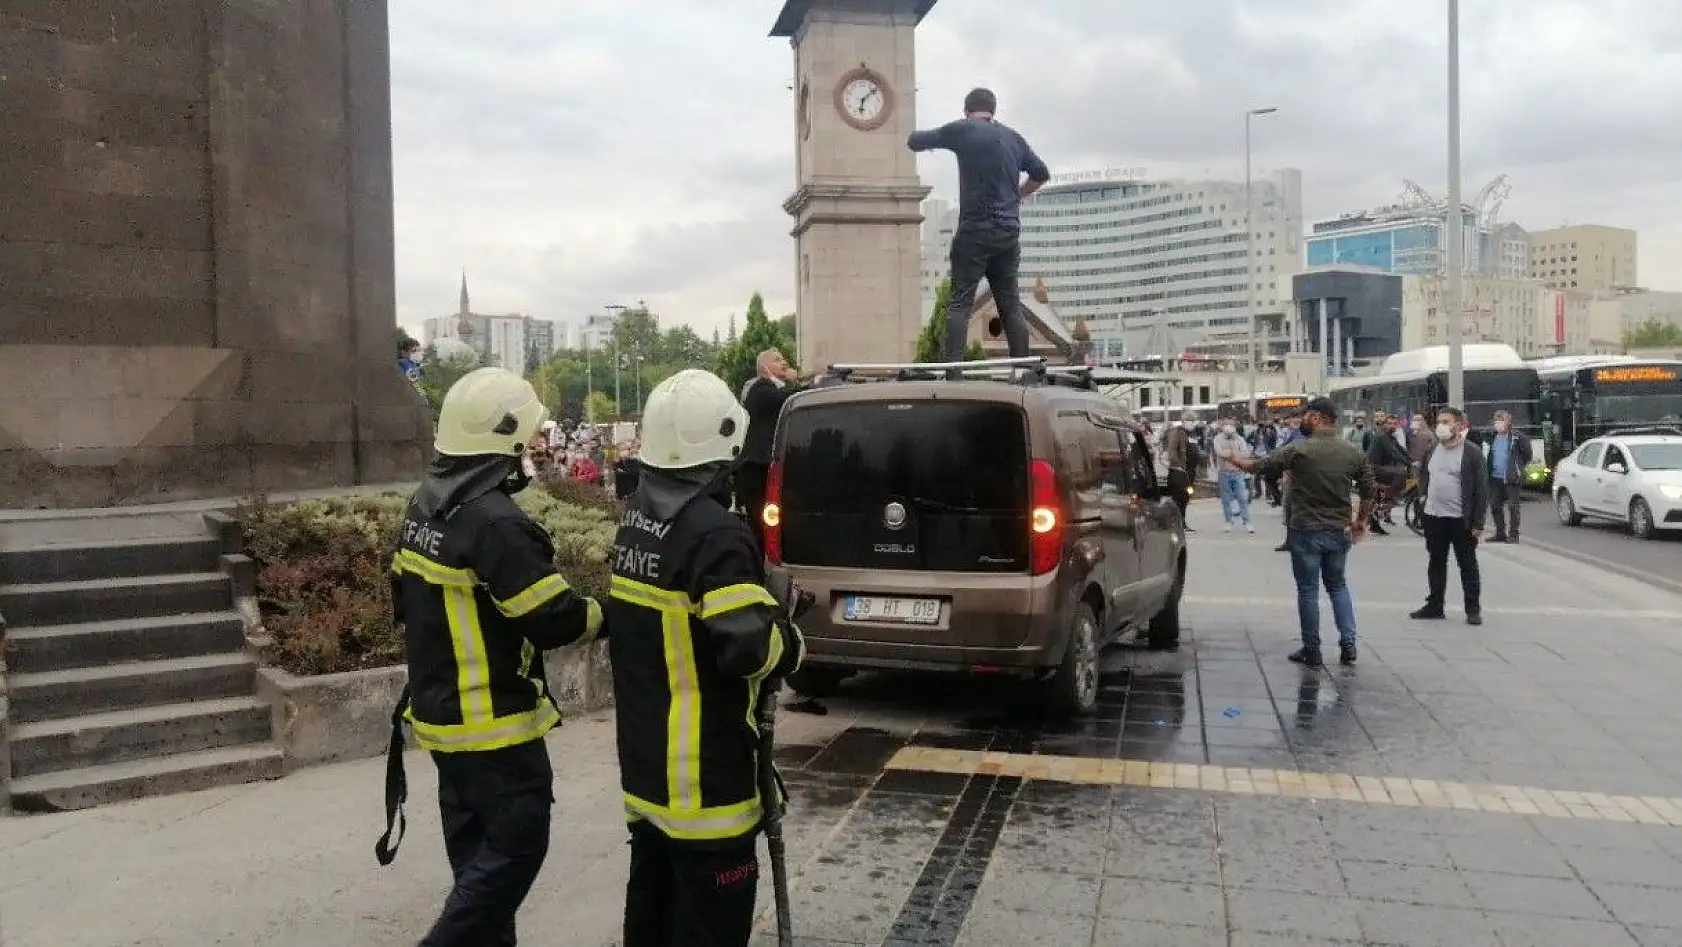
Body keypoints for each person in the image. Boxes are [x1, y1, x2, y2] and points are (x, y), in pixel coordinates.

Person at [386, 367, 605, 947]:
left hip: (441, 721)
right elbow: (553, 618)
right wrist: (611, 615)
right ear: (502, 442)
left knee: (476, 868)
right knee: (514, 852)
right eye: (526, 439)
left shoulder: (424, 508)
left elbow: (401, 602)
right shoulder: (495, 523)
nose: (532, 450)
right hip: (493, 730)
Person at [606, 369, 806, 947]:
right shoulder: (715, 533)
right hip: (706, 788)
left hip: (647, 777)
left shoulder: (637, 523)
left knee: (651, 919)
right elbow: (747, 648)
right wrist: (790, 636)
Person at [907, 87, 1051, 368]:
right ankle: (1023, 371)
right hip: (1008, 232)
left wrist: (929, 138)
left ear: (967, 110)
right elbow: (1041, 173)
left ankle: (954, 372)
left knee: (961, 300)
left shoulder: (964, 130)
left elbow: (915, 141)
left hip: (975, 230)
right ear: (993, 110)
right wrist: (1017, 195)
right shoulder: (1013, 138)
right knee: (1009, 303)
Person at [1230, 397, 1376, 667]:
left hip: (1305, 530)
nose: (1302, 420)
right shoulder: (1353, 452)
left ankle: (1312, 649)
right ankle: (1349, 643)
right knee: (1338, 585)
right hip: (1338, 531)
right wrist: (1360, 522)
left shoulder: (1299, 450)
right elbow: (1369, 490)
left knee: (1308, 591)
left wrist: (1236, 461)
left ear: (1318, 417)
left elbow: (1260, 466)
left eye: (1306, 415)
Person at [1412, 407, 1489, 625]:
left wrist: (1478, 522)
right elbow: (1426, 474)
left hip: (1460, 520)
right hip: (1434, 516)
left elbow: (1481, 490)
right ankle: (1435, 605)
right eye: (1439, 421)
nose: (1442, 426)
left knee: (1467, 564)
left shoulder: (1472, 452)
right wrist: (1423, 497)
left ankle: (1472, 608)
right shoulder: (1433, 449)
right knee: (1436, 561)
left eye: (1447, 421)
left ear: (1459, 425)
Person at [737, 348, 802, 549]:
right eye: (777, 360)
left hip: (765, 469)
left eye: (784, 359)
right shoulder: (760, 388)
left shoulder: (774, 389)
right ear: (765, 367)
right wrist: (795, 382)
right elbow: (781, 398)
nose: (784, 362)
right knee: (761, 528)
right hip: (757, 470)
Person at [1486, 409, 1532, 543]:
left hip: (1511, 477)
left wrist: (1517, 467)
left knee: (1513, 506)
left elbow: (1527, 454)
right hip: (1495, 477)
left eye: (1501, 420)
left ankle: (1513, 534)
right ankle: (1500, 533)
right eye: (1496, 420)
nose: (1498, 423)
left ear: (1509, 421)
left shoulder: (1517, 437)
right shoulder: (1491, 436)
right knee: (1495, 505)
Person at [1366, 413, 1412, 535]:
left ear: (1397, 425)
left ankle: (1375, 524)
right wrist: (1408, 463)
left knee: (1401, 472)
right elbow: (1394, 454)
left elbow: (1401, 451)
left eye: (1394, 424)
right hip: (1375, 468)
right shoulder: (1382, 437)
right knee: (1401, 474)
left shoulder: (1392, 438)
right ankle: (1389, 498)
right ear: (1385, 424)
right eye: (1389, 423)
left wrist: (1411, 460)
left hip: (1383, 467)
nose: (1391, 426)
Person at [1211, 418, 1254, 533]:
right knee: (1226, 499)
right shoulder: (1217, 439)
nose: (1228, 427)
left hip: (1238, 472)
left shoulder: (1239, 439)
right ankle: (1228, 521)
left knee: (1242, 497)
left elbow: (1245, 453)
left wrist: (1230, 453)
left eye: (1231, 425)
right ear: (1222, 426)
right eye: (1226, 425)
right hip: (1223, 472)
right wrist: (1234, 453)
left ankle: (1247, 521)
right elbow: (1219, 452)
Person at [1162, 412, 1197, 531]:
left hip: (1188, 472)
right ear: (1184, 421)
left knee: (1185, 498)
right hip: (1179, 472)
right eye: (1190, 420)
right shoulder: (1177, 433)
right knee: (1179, 498)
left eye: (1193, 421)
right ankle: (1176, 523)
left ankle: (1182, 521)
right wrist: (1179, 465)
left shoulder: (1190, 434)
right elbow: (1172, 451)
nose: (1192, 423)